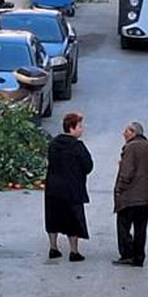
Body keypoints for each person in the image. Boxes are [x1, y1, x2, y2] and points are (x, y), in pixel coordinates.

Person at [45, 112, 93, 262]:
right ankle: (74, 251)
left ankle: (53, 248)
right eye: (79, 126)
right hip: (72, 188)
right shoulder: (77, 146)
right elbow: (88, 165)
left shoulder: (54, 143)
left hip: (53, 187)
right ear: (71, 128)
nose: (82, 129)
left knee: (52, 217)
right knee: (73, 219)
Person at [113, 121, 148, 268]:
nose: (123, 133)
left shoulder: (131, 148)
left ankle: (127, 254)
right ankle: (139, 256)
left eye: (127, 131)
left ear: (134, 133)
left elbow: (127, 172)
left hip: (130, 196)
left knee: (123, 225)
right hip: (146, 196)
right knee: (141, 228)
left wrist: (120, 188)